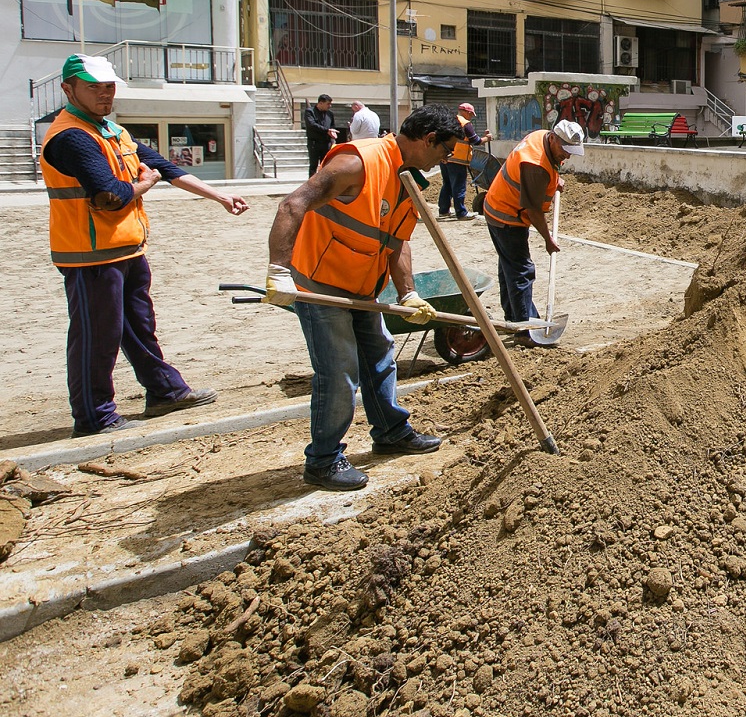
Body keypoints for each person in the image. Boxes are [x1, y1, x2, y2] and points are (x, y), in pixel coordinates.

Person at [42, 54, 249, 437]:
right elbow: (111, 194)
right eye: (94, 87)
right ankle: (93, 416)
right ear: (68, 89)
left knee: (138, 326)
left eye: (109, 86)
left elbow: (165, 168)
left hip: (127, 248)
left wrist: (218, 196)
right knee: (96, 335)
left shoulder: (111, 132)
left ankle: (164, 391)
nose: (105, 94)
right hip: (89, 255)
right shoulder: (71, 137)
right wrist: (144, 184)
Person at [264, 104, 465, 490]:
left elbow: (397, 241)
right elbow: (293, 204)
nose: (446, 160)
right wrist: (278, 269)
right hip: (321, 287)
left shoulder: (406, 178)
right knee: (340, 372)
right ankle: (323, 460)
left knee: (379, 357)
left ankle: (390, 431)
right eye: (445, 150)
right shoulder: (359, 162)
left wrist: (408, 293)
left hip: (362, 288)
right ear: (429, 139)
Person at [482, 119, 585, 347]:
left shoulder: (541, 137)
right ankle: (524, 329)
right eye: (565, 150)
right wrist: (548, 240)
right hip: (507, 217)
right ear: (553, 139)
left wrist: (555, 179)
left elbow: (545, 169)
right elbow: (534, 211)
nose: (567, 156)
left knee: (509, 265)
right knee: (521, 270)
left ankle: (515, 317)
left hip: (497, 207)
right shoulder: (535, 166)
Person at [439, 102, 489, 221]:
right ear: (467, 112)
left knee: (447, 184)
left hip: (445, 158)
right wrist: (487, 138)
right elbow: (475, 141)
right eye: (471, 114)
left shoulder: (448, 121)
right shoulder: (465, 124)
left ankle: (443, 210)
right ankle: (461, 212)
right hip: (458, 160)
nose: (471, 117)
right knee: (459, 186)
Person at [302, 94, 337, 169]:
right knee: (313, 165)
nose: (330, 106)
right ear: (320, 103)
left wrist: (332, 133)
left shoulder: (330, 114)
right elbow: (312, 125)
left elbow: (332, 126)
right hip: (314, 143)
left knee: (325, 165)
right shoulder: (310, 112)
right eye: (328, 104)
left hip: (326, 143)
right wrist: (327, 130)